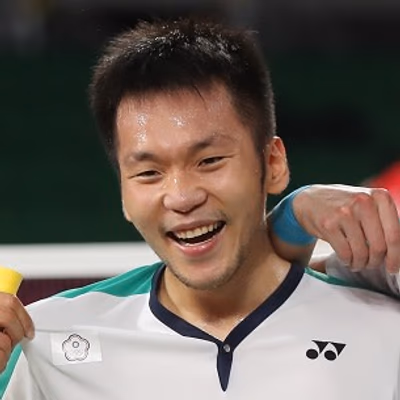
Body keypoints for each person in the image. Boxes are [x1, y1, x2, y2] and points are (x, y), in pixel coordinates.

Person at [1, 17, 400, 399]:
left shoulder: (384, 331)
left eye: (209, 161)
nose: (181, 197)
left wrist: (296, 213)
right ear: (123, 192)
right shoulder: (45, 340)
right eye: (149, 173)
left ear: (273, 164)